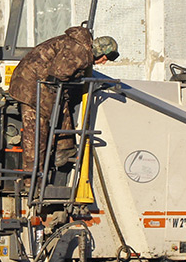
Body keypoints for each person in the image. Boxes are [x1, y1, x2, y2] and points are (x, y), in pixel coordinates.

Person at [8, 27, 118, 171]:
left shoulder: (78, 47)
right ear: (98, 52)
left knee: (61, 109)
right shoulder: (81, 52)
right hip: (31, 87)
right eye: (105, 58)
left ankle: (64, 148)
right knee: (36, 136)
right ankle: (32, 182)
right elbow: (59, 74)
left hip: (31, 82)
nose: (104, 62)